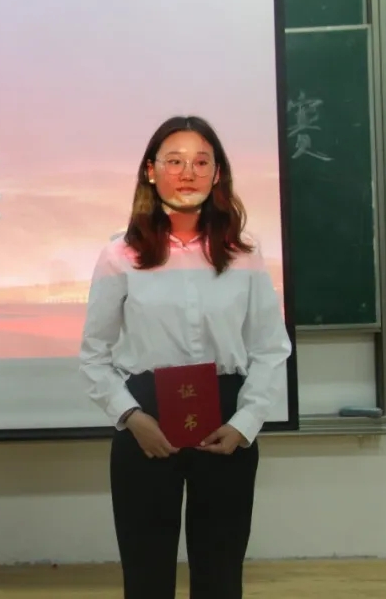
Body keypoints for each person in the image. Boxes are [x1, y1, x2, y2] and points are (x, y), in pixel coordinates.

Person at [78, 116, 291, 599]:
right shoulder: (120, 255)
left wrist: (245, 423)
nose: (187, 173)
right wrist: (131, 417)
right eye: (174, 161)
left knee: (220, 572)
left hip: (227, 419)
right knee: (146, 573)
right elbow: (94, 355)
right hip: (146, 419)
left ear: (218, 174)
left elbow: (270, 347)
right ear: (150, 171)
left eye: (201, 162)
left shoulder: (244, 253)